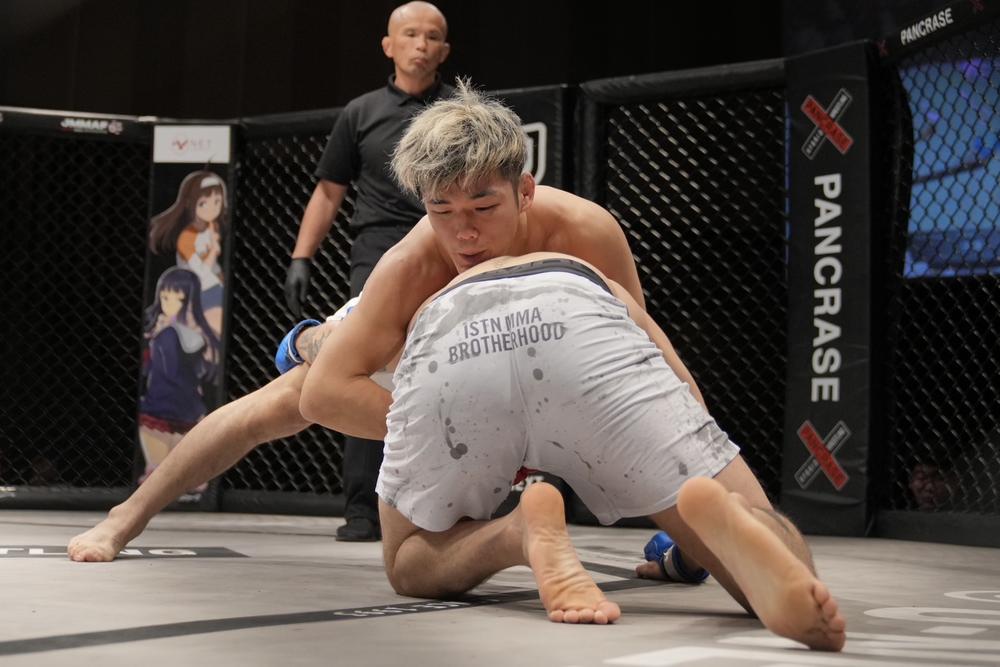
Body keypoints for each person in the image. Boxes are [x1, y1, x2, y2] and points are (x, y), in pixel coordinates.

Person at [283, 1, 453, 542]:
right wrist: (301, 257)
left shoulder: (458, 111)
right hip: (377, 250)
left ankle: (450, 502)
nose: (421, 44)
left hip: (448, 243)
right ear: (389, 45)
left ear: (445, 50)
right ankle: (362, 508)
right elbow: (328, 191)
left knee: (452, 362)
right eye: (411, 34)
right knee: (363, 365)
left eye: (432, 36)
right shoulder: (361, 112)